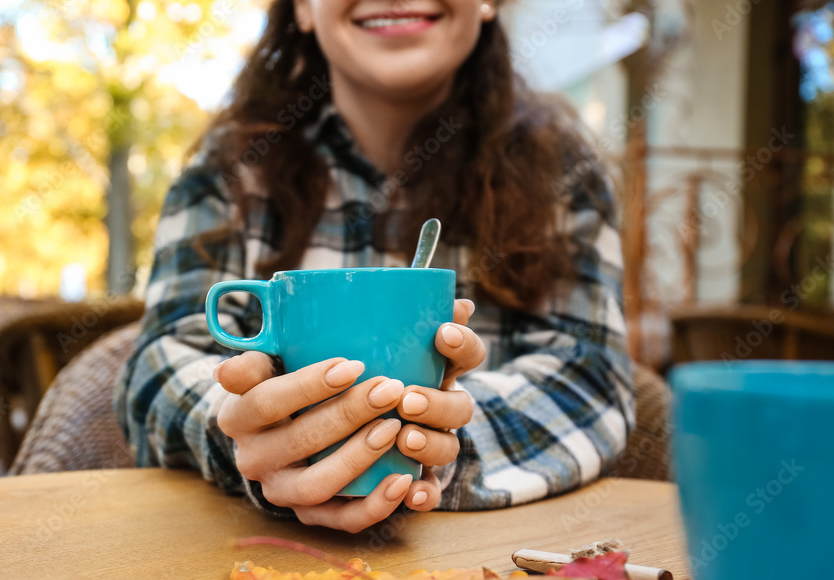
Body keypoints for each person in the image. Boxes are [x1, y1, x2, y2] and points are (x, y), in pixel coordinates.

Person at [116, 0, 635, 533]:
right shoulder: (227, 174)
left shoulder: (562, 172)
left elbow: (588, 379)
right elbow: (158, 364)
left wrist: (437, 447)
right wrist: (250, 438)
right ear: (302, 8)